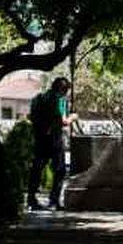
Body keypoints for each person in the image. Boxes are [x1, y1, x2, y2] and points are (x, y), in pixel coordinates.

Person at [27, 77, 77, 210]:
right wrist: (73, 117)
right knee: (60, 170)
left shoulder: (38, 98)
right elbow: (63, 121)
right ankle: (54, 201)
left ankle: (31, 200)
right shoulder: (59, 99)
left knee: (37, 169)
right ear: (62, 89)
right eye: (66, 90)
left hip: (39, 138)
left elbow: (30, 117)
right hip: (54, 139)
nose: (66, 93)